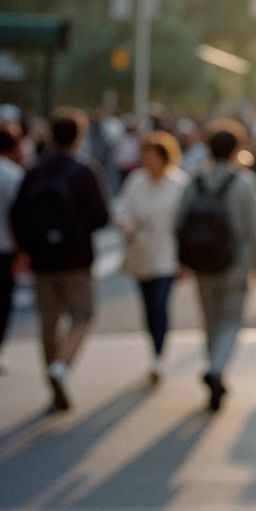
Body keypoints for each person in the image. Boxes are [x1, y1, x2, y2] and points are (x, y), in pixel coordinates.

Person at [9, 107, 110, 413]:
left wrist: (26, 249)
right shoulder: (84, 171)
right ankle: (62, 365)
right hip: (76, 258)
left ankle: (54, 379)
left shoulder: (35, 171)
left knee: (48, 322)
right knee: (83, 315)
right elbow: (101, 216)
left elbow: (17, 214)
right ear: (79, 136)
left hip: (42, 259)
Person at [175, 119, 256, 411]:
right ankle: (216, 368)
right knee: (231, 320)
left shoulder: (195, 181)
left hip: (201, 265)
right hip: (234, 263)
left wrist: (182, 260)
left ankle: (213, 365)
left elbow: (179, 222)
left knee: (210, 321)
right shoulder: (245, 182)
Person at [114, 130, 189, 384]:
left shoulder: (180, 184)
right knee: (148, 307)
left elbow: (186, 224)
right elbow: (122, 208)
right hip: (141, 252)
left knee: (159, 305)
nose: (149, 162)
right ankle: (154, 349)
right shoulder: (136, 181)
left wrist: (185, 260)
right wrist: (125, 223)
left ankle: (159, 355)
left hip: (168, 254)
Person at [0, 123, 25, 372]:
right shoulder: (13, 174)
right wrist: (22, 250)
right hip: (5, 248)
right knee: (3, 302)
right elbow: (17, 217)